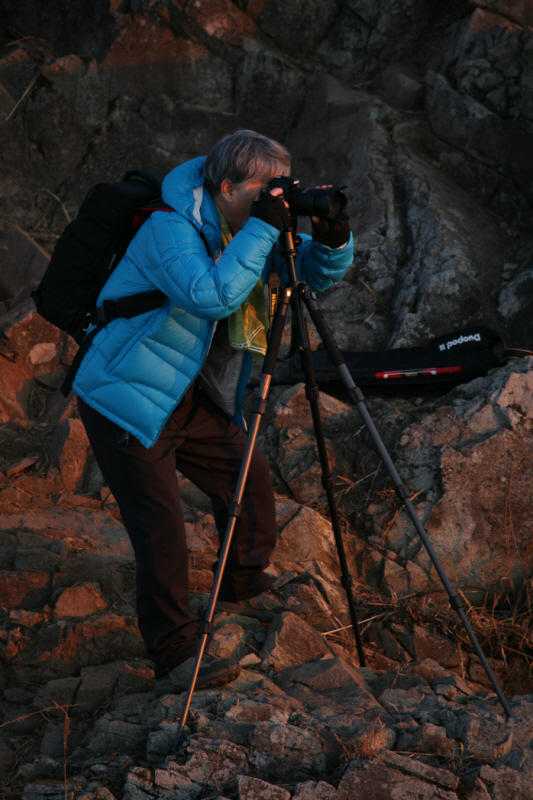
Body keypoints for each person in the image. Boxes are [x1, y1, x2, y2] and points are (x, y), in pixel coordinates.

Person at [73, 130, 354, 696]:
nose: (273, 199)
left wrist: (331, 240)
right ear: (226, 187)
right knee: (162, 530)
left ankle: (242, 582)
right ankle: (175, 650)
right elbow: (213, 295)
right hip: (126, 395)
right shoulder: (168, 227)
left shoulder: (241, 222)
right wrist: (266, 226)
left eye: (280, 188)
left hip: (187, 392)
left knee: (247, 474)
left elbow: (308, 281)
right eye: (263, 190)